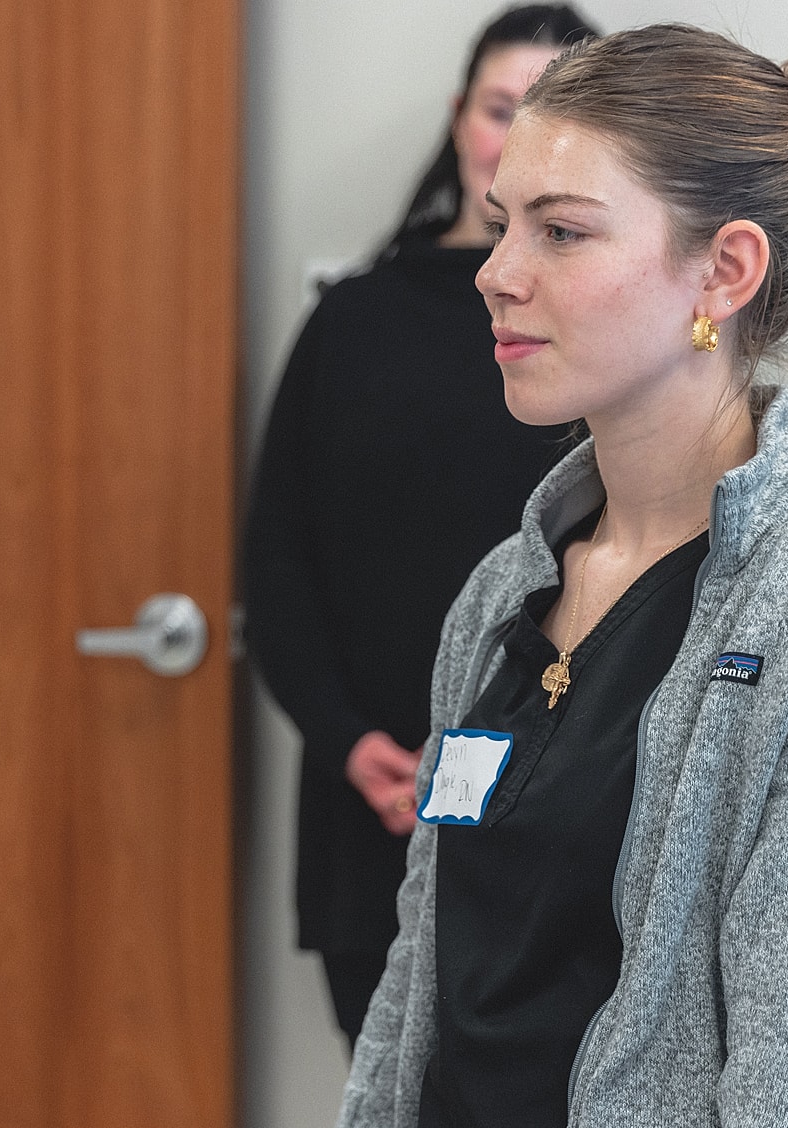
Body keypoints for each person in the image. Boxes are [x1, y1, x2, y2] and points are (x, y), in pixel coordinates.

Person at [314, 25, 788, 1128]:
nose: (497, 270)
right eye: (504, 219)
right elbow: (414, 999)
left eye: (559, 231)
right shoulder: (501, 594)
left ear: (724, 270)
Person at [243, 2, 596, 1050]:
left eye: (555, 114)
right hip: (370, 810)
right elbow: (276, 562)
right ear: (459, 119)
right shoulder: (354, 318)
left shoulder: (611, 335)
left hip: (559, 822)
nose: (519, 139)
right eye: (502, 108)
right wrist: (353, 747)